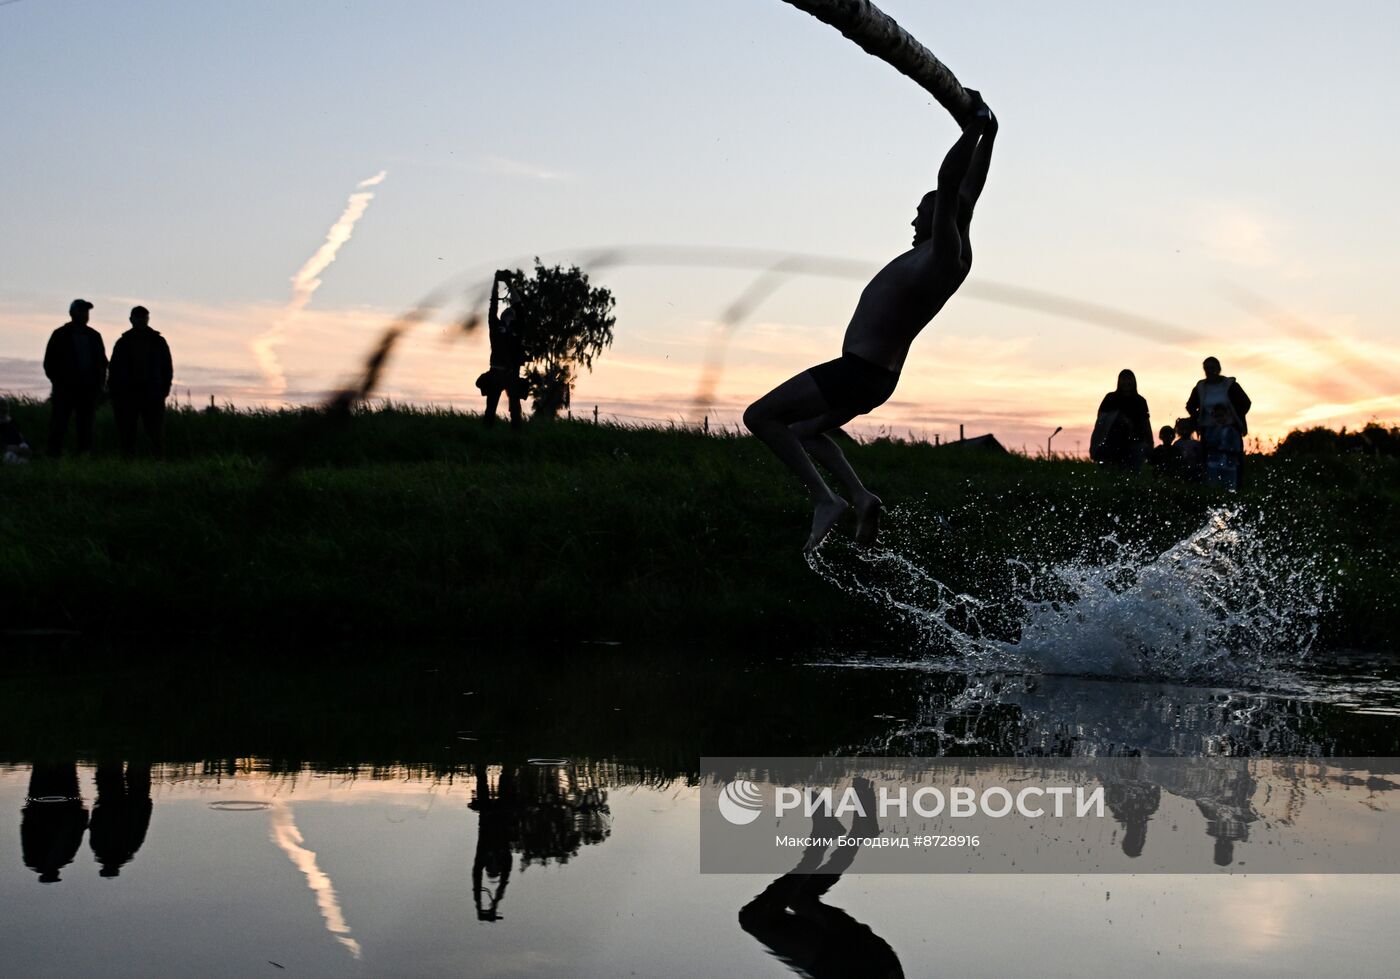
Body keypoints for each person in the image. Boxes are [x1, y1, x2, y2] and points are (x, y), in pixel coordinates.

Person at [744, 93, 998, 551]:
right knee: (805, 431)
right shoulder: (945, 254)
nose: (916, 215)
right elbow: (968, 191)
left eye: (924, 209)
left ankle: (826, 500)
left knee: (760, 416)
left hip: (858, 372)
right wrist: (990, 133)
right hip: (873, 375)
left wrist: (970, 128)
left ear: (939, 216)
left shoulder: (944, 255)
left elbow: (952, 184)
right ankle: (860, 497)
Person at [43, 299, 107, 457]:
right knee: (58, 426)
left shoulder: (94, 336)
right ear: (72, 313)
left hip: (87, 391)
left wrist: (99, 386)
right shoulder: (59, 335)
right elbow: (49, 363)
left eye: (86, 312)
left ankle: (83, 458)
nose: (84, 315)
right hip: (65, 391)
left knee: (85, 428)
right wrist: (60, 382)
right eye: (81, 311)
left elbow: (102, 363)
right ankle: (53, 458)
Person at [107, 306, 174, 458]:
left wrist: (164, 390)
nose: (141, 319)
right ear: (131, 319)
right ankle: (127, 464)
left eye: (144, 316)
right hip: (128, 395)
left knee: (155, 432)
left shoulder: (158, 341)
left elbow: (167, 367)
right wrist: (115, 393)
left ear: (147, 319)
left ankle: (158, 463)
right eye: (138, 317)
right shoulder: (123, 342)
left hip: (153, 395)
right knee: (127, 433)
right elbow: (114, 369)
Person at [476, 271, 527, 429]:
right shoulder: (495, 327)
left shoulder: (517, 329)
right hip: (495, 373)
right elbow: (493, 305)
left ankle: (516, 439)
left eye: (512, 313)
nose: (510, 312)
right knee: (490, 410)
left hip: (511, 374)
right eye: (508, 311)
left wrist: (510, 284)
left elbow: (518, 306)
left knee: (516, 412)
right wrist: (496, 283)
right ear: (503, 315)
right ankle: (486, 436)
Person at [1090, 369, 1152, 469]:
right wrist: (1118, 419)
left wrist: (1150, 443)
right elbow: (1101, 419)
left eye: (1129, 379)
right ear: (1119, 381)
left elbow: (1146, 423)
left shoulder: (1140, 401)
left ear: (1134, 381)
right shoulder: (1110, 398)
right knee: (1111, 472)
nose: (1126, 382)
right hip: (1112, 441)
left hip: (1135, 442)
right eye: (1124, 379)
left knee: (1132, 474)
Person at [1186, 356, 1250, 442]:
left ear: (1219, 368)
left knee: (1232, 454)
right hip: (1208, 429)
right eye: (1207, 368)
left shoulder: (1231, 385)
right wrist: (1197, 417)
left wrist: (1236, 415)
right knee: (1208, 454)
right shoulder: (1200, 388)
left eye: (1212, 367)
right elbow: (1190, 406)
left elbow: (1246, 403)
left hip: (1231, 428)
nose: (1210, 371)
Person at [1202, 404, 1243, 489]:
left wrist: (1227, 449)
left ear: (1227, 416)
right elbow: (1208, 443)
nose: (1219, 418)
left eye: (1222, 416)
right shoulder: (1209, 430)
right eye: (1217, 416)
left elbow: (1237, 448)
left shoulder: (1233, 431)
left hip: (1229, 463)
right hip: (1213, 463)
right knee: (1213, 487)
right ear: (1213, 417)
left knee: (1230, 488)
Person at [1171, 417, 1205, 482]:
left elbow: (1200, 459)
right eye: (1182, 428)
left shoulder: (1196, 444)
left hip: (1194, 472)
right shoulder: (1177, 444)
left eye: (1186, 427)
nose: (1184, 430)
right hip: (1181, 472)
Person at [0, 397, 32, 463]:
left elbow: (20, 439)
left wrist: (20, 449)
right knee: (8, 457)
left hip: (17, 451)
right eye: (1, 406)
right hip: (6, 453)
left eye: (5, 406)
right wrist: (6, 448)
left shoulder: (12, 422)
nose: (3, 409)